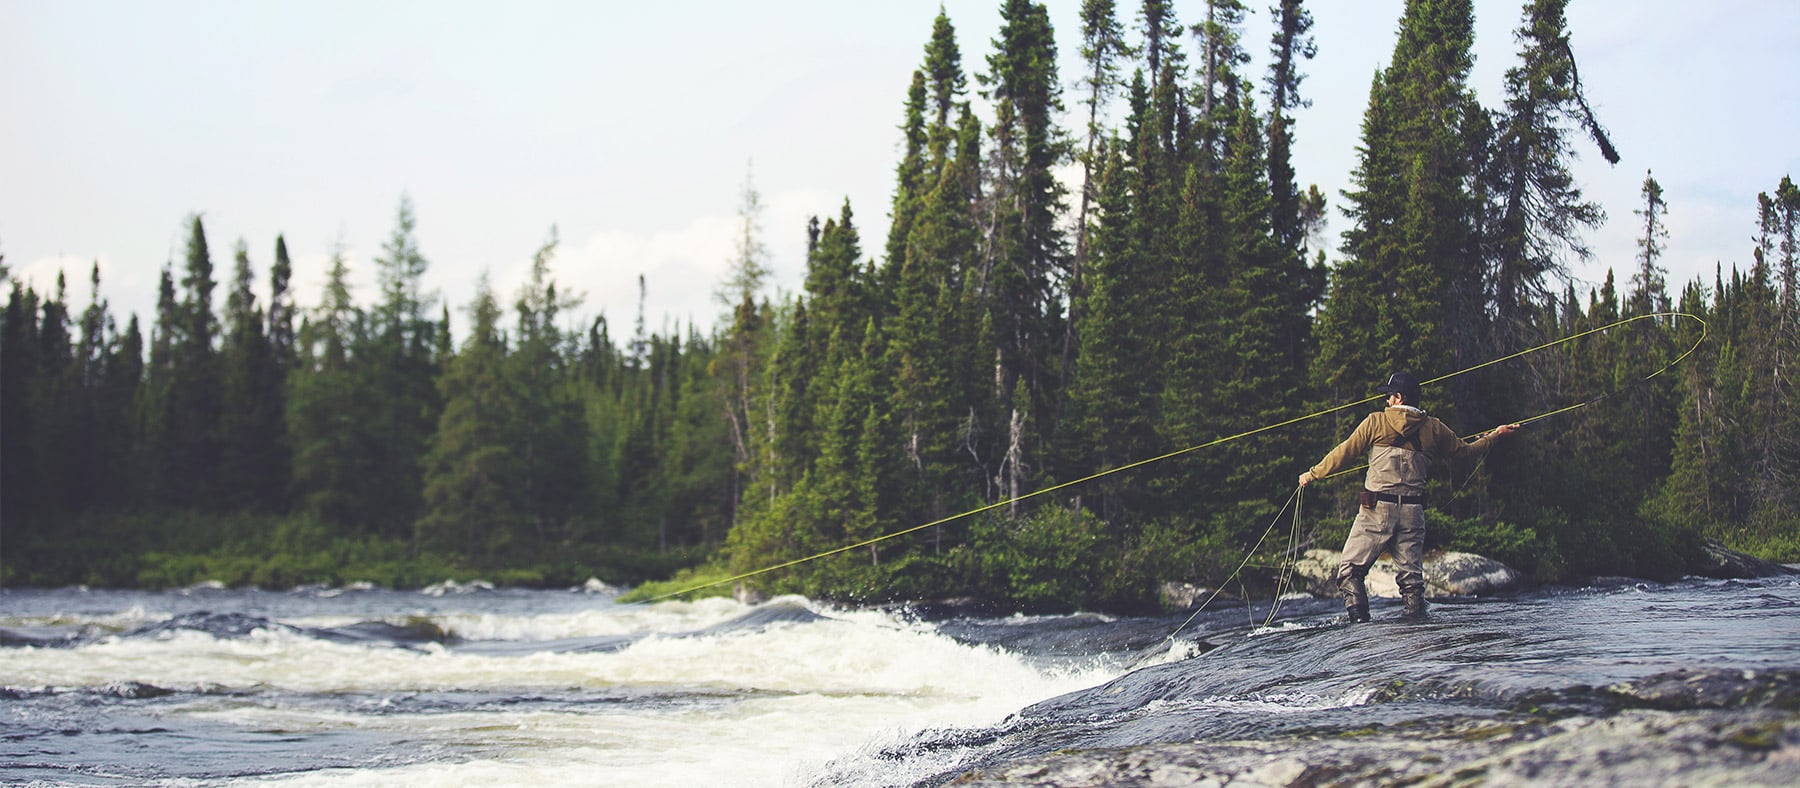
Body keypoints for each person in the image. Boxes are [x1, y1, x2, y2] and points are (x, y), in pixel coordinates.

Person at [1297, 372, 1520, 622]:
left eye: (1389, 396)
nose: (1386, 400)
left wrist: (1312, 474)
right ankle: (1416, 630)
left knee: (1350, 572)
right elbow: (1465, 451)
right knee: (1412, 582)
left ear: (1398, 397)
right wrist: (1495, 436)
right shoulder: (1433, 427)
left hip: (1376, 510)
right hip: (1413, 514)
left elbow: (1344, 453)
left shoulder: (1375, 422)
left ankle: (1359, 631)